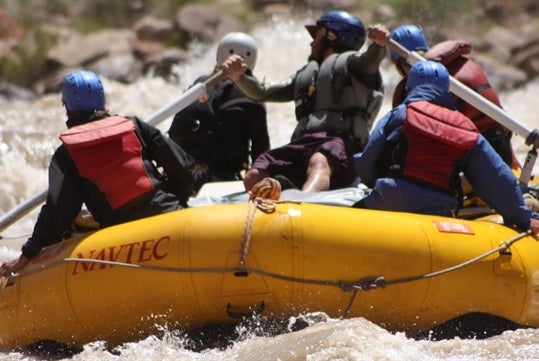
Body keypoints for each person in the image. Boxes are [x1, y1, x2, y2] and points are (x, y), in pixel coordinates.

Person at [0, 70, 195, 276]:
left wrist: (28, 255)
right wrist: (177, 201)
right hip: (171, 217)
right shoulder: (134, 125)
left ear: (67, 107)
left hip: (127, 242)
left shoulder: (66, 154)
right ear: (102, 99)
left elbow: (59, 211)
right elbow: (182, 167)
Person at [353, 60, 539, 235]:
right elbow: (496, 177)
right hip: (439, 211)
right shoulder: (466, 127)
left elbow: (366, 163)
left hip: (388, 198)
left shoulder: (397, 115)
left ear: (410, 87)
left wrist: (377, 185)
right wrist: (522, 217)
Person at [221, 10, 389, 193]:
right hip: (304, 143)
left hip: (341, 143)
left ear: (331, 37)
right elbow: (261, 92)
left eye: (316, 36)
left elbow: (371, 61)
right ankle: (279, 192)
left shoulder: (357, 66)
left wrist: (379, 45)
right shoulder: (307, 74)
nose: (311, 42)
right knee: (256, 174)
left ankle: (303, 202)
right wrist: (239, 78)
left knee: (319, 160)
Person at [389, 24, 519, 169]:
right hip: (501, 145)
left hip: (477, 157)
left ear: (399, 63)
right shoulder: (459, 63)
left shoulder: (422, 83)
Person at [168, 32, 270, 192]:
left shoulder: (200, 84)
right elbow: (261, 147)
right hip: (224, 177)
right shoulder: (252, 95)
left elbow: (175, 133)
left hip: (184, 172)